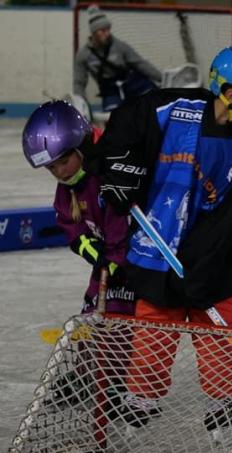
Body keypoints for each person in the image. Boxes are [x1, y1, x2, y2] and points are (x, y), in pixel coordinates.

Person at [95, 45, 232, 433]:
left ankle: (222, 414)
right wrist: (119, 170)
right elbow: (124, 124)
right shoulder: (174, 107)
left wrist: (205, 269)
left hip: (207, 266)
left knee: (219, 346)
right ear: (230, 95)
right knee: (152, 339)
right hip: (155, 250)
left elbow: (231, 218)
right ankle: (140, 409)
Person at [22, 100, 135, 407]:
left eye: (62, 163)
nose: (58, 172)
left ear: (80, 146)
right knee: (90, 317)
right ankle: (87, 374)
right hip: (105, 262)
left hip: (132, 265)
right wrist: (87, 246)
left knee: (120, 318)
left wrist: (114, 261)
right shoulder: (69, 187)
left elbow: (121, 222)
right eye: (51, 168)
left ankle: (117, 381)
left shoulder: (108, 173)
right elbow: (69, 223)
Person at [73, 4, 162, 112]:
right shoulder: (83, 55)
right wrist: (80, 103)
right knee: (113, 118)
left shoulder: (120, 46)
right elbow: (79, 83)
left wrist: (162, 78)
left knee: (154, 100)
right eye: (102, 31)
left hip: (132, 83)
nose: (107, 33)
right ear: (94, 32)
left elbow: (140, 64)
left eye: (108, 29)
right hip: (110, 90)